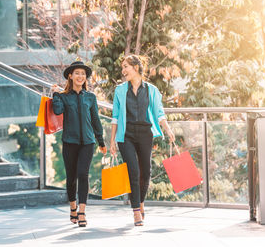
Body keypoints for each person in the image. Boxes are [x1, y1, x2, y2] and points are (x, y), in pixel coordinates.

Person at [110, 54, 175, 226]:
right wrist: (112, 141)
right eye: (123, 67)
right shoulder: (120, 91)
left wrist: (167, 129)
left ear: (136, 68)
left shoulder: (152, 90)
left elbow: (159, 113)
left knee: (145, 172)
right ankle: (136, 212)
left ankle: (141, 202)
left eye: (126, 67)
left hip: (145, 134)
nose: (123, 70)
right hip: (126, 135)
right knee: (133, 171)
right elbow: (115, 117)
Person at [51, 61, 107, 227]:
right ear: (70, 75)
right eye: (77, 73)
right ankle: (73, 207)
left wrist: (101, 141)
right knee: (71, 178)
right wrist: (55, 94)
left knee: (83, 174)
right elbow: (57, 110)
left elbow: (96, 120)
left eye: (83, 74)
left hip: (88, 143)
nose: (80, 76)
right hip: (70, 142)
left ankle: (82, 211)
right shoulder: (63, 96)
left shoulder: (90, 97)